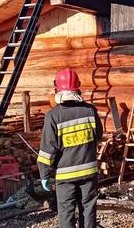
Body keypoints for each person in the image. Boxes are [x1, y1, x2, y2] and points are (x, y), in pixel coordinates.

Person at [37, 68, 103, 228]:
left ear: (57, 89)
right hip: (89, 172)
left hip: (65, 177)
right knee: (88, 210)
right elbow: (98, 136)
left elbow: (48, 150)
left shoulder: (53, 116)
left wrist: (44, 174)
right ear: (77, 87)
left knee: (66, 213)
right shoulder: (90, 111)